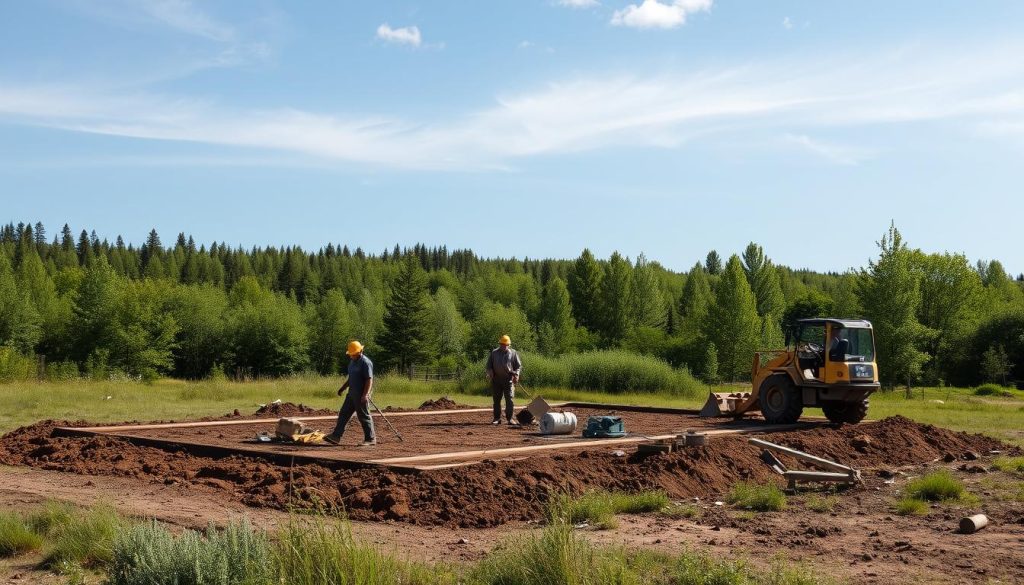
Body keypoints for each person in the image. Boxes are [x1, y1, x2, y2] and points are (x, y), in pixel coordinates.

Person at [324, 341, 376, 446]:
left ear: (360, 351)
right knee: (343, 414)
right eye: (351, 354)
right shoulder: (352, 362)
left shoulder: (366, 362)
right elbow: (351, 378)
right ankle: (336, 436)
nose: (352, 356)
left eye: (354, 353)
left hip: (361, 395)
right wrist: (342, 388)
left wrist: (365, 394)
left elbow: (369, 379)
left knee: (363, 416)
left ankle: (370, 439)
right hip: (351, 394)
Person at [485, 334, 522, 425]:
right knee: (496, 400)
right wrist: (490, 372)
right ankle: (497, 418)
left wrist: (516, 375)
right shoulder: (494, 353)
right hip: (496, 381)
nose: (504, 346)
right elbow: (488, 365)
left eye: (506, 345)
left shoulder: (513, 353)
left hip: (508, 381)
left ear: (509, 345)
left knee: (509, 400)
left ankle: (510, 419)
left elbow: (518, 366)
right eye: (502, 344)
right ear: (500, 344)